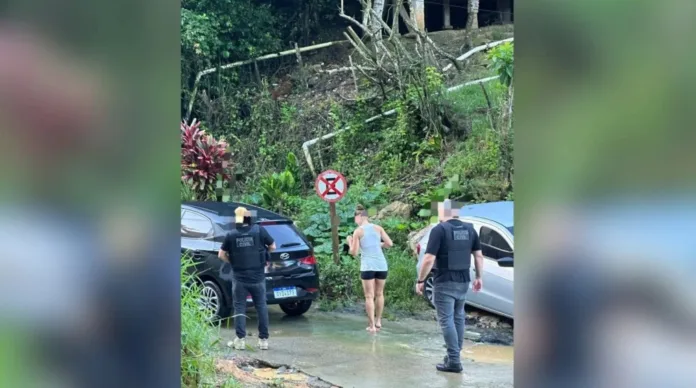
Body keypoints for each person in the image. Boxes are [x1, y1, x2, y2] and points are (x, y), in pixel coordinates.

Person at [416, 199, 484, 373]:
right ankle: (454, 356)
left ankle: (454, 360)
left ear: (444, 212)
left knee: (447, 321)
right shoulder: (470, 229)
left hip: (444, 280)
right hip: (463, 281)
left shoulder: (439, 230)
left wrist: (421, 280)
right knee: (458, 318)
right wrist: (479, 277)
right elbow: (478, 256)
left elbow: (429, 259)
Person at [218, 206, 275, 350]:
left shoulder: (231, 235)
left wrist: (232, 261)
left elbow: (221, 255)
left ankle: (240, 340)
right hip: (258, 277)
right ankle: (263, 341)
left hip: (240, 278)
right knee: (261, 306)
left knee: (239, 307)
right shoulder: (259, 230)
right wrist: (264, 256)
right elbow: (273, 246)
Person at [346, 204, 394, 333]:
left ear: (360, 217)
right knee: (379, 294)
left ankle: (371, 326)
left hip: (368, 266)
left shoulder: (358, 231)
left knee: (369, 296)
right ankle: (378, 321)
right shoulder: (378, 228)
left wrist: (350, 241)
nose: (355, 221)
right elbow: (390, 243)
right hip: (381, 265)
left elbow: (354, 252)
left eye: (355, 218)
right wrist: (378, 244)